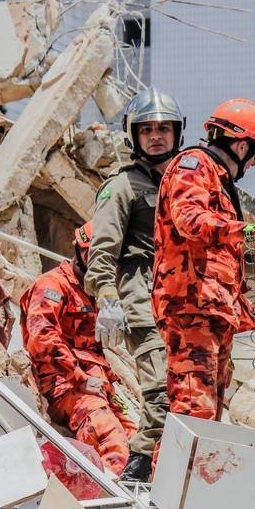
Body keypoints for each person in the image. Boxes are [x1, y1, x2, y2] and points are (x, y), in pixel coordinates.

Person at [151, 98, 255, 433]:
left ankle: (190, 482)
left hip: (211, 312)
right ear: (242, 145)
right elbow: (189, 220)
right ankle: (172, 483)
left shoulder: (217, 179)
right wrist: (251, 229)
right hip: (192, 308)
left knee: (207, 417)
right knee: (194, 412)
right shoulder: (194, 164)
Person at [85, 88, 184, 482]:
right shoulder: (122, 186)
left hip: (182, 296)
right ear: (134, 135)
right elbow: (103, 250)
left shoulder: (184, 184)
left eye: (164, 128)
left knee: (188, 390)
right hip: (141, 294)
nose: (156, 136)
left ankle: (170, 473)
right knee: (161, 389)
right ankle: (138, 468)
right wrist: (107, 298)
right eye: (147, 129)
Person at [19, 222, 137, 475]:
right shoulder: (53, 285)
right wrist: (79, 378)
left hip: (99, 385)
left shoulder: (97, 295)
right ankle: (108, 507)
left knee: (141, 442)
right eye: (94, 255)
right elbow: (42, 338)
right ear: (80, 252)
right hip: (67, 385)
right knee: (111, 441)